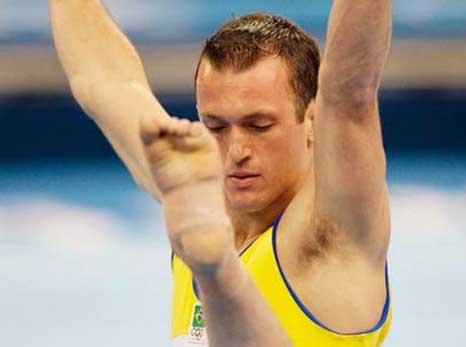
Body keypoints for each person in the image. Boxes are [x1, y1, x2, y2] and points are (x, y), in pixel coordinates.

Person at [50, 0, 393, 346]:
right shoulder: (191, 196)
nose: (236, 151)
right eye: (215, 126)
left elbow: (351, 94)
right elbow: (106, 79)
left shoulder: (330, 236)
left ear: (313, 121)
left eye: (258, 126)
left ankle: (217, 271)